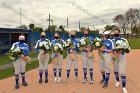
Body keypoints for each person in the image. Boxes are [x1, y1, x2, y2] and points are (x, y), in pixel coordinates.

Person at [112, 28, 128, 93]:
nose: (116, 33)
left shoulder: (124, 40)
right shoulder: (112, 40)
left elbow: (127, 48)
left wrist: (122, 50)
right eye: (115, 32)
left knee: (122, 72)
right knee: (115, 70)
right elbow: (111, 48)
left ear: (119, 32)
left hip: (122, 57)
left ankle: (124, 87)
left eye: (117, 32)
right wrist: (114, 51)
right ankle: (117, 81)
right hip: (115, 57)